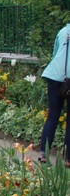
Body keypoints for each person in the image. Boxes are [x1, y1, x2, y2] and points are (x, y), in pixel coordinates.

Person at [38, 22, 70, 168]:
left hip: (54, 76)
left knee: (53, 115)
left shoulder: (62, 31)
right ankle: (68, 158)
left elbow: (55, 54)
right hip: (68, 79)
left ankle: (43, 153)